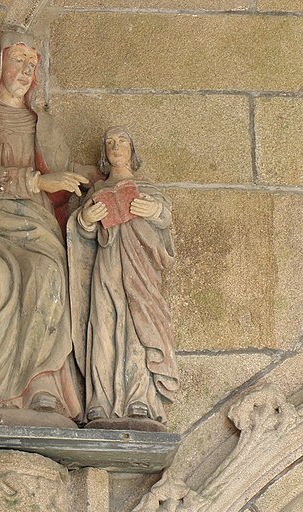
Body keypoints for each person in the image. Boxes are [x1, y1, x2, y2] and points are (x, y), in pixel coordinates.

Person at [0, 31, 99, 427]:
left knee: (47, 276)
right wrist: (33, 182)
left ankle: (41, 385)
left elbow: (63, 173)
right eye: (19, 62)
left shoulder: (42, 123)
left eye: (33, 65)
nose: (26, 72)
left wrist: (108, 180)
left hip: (35, 229)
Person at [68, 126, 179, 431]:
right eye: (110, 143)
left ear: (132, 149)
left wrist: (154, 210)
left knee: (137, 327)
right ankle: (99, 402)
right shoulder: (95, 192)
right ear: (104, 153)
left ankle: (139, 399)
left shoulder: (150, 188)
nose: (116, 148)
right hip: (106, 266)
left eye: (122, 142)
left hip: (140, 269)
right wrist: (85, 219)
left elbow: (165, 220)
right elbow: (81, 235)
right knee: (102, 326)